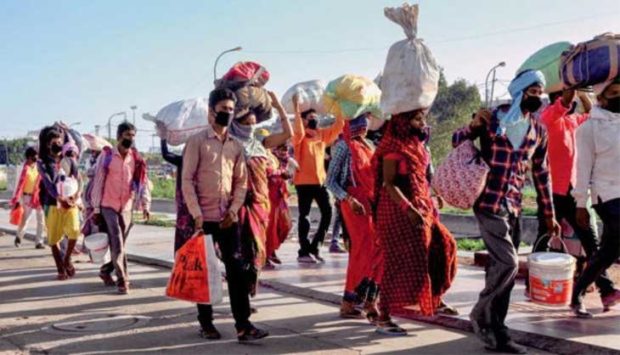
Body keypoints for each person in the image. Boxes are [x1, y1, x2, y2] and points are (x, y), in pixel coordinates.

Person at [453, 70, 560, 354]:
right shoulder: (492, 118)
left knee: (502, 272)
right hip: (488, 203)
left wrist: (548, 214)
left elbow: (542, 173)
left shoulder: (538, 130)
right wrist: (473, 126)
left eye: (541, 92)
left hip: (513, 205)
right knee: (510, 264)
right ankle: (480, 313)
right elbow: (457, 140)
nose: (538, 97)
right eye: (533, 91)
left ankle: (497, 331)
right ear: (519, 91)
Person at [182, 88, 268, 342]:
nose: (228, 114)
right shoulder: (197, 142)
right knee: (205, 274)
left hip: (228, 219)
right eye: (223, 110)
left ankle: (243, 325)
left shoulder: (235, 146)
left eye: (231, 110)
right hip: (203, 220)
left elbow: (241, 182)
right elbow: (187, 180)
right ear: (211, 112)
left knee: (237, 271)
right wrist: (196, 213)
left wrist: (233, 210)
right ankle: (206, 323)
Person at [372, 109, 457, 336]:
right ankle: (384, 317)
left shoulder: (417, 147)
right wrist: (408, 209)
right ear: (403, 122)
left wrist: (433, 196)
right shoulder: (393, 148)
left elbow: (423, 178)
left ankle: (434, 298)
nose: (422, 123)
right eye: (417, 119)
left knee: (444, 245)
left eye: (423, 119)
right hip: (396, 212)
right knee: (397, 263)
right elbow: (389, 184)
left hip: (422, 208)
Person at [529, 89, 616, 301]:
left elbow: (591, 112)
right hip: (551, 193)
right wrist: (571, 90)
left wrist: (584, 93)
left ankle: (606, 288)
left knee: (591, 242)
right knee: (545, 237)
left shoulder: (574, 122)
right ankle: (534, 283)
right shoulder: (549, 118)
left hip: (572, 192)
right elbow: (563, 104)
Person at [229, 91, 293, 287]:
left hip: (262, 205)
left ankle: (249, 292)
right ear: (236, 124)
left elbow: (288, 134)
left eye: (253, 124)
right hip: (241, 205)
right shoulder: (231, 145)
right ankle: (243, 299)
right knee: (244, 251)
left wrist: (278, 107)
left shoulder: (261, 144)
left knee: (258, 252)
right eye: (246, 124)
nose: (250, 128)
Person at [571, 77, 620, 318]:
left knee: (607, 253)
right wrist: (581, 203)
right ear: (601, 97)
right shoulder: (588, 128)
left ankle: (576, 294)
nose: (618, 97)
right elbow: (582, 168)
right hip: (606, 195)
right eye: (614, 93)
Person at [326, 113, 381, 323]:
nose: (364, 130)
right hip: (353, 203)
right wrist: (348, 199)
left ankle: (368, 299)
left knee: (378, 250)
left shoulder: (369, 146)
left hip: (371, 202)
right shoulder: (342, 146)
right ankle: (351, 302)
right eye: (361, 126)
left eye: (366, 126)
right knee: (362, 251)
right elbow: (330, 181)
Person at [91, 122, 151, 294]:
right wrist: (96, 208)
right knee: (117, 240)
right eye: (127, 135)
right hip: (108, 205)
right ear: (118, 137)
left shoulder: (137, 159)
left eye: (132, 136)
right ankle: (123, 279)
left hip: (126, 206)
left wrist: (145, 205)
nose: (130, 139)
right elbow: (98, 182)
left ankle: (105, 270)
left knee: (120, 244)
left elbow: (142, 183)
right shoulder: (107, 155)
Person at [292, 95, 345, 263]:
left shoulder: (322, 136)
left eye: (315, 116)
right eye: (310, 117)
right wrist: (296, 108)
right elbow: (299, 130)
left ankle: (315, 247)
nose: (314, 119)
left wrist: (338, 108)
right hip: (303, 182)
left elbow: (339, 126)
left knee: (328, 213)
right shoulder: (299, 138)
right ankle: (304, 251)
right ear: (304, 120)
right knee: (304, 216)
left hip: (320, 182)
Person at [37, 126, 82, 280]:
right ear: (47, 144)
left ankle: (67, 258)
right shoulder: (42, 162)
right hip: (51, 203)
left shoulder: (69, 157)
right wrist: (58, 197)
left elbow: (79, 178)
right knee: (53, 239)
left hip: (70, 202)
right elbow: (48, 183)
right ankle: (60, 269)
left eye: (60, 141)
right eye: (54, 142)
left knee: (75, 231)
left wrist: (76, 195)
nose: (58, 143)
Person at [157, 123, 194, 253]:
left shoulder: (203, 162)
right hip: (185, 206)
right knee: (185, 234)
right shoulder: (182, 160)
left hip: (200, 206)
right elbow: (166, 154)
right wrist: (163, 137)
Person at [265, 143, 294, 267]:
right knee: (270, 228)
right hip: (269, 195)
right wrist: (280, 172)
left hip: (280, 195)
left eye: (285, 148)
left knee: (286, 225)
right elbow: (266, 170)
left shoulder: (284, 159)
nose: (284, 151)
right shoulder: (264, 156)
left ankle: (271, 250)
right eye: (281, 148)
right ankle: (266, 253)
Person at [11, 147, 45, 249]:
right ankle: (19, 236)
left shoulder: (38, 167)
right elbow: (20, 185)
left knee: (41, 221)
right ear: (29, 157)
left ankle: (39, 242)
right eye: (35, 155)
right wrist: (17, 199)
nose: (37, 157)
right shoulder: (25, 169)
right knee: (25, 219)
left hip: (38, 197)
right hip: (27, 197)